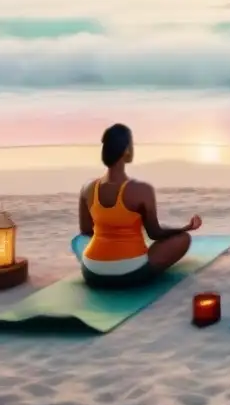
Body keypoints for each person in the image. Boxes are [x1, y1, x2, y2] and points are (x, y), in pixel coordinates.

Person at [74, 124, 201, 289]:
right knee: (183, 239)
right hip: (130, 272)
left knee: (88, 243)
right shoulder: (142, 189)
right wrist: (185, 228)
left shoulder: (88, 187)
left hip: (92, 272)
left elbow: (85, 231)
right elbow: (155, 233)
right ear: (126, 150)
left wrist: (109, 237)